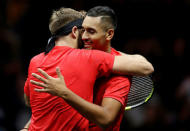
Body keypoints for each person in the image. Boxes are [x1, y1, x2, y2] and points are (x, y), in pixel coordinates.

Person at [23, 7, 154, 130]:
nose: (85, 36)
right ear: (75, 31)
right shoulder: (87, 57)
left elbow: (31, 101)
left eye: (90, 31)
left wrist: (26, 127)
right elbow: (146, 67)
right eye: (83, 31)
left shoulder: (35, 61)